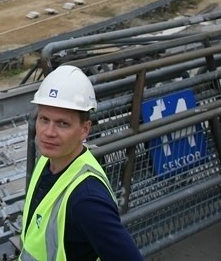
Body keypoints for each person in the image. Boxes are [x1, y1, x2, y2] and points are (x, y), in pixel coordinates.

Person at [20, 65, 143, 261]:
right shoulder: (46, 160)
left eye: (63, 124)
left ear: (85, 130)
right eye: (44, 119)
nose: (49, 132)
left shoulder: (86, 200)